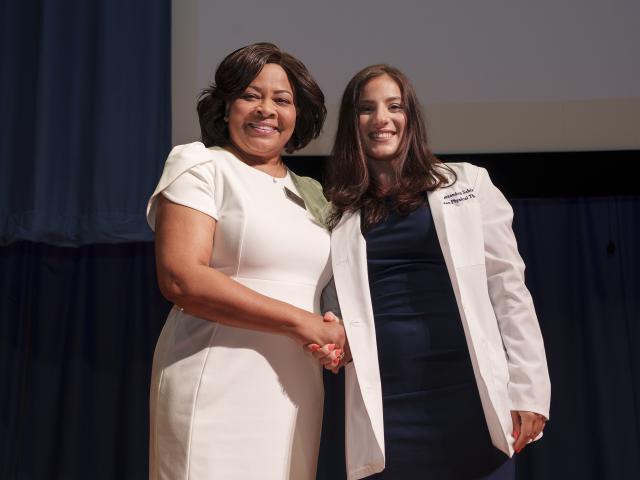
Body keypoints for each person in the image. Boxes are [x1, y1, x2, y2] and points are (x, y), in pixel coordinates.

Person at [313, 65, 551, 479]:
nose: (381, 119)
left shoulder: (469, 183)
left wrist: (529, 391)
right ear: (352, 124)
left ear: (411, 117)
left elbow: (509, 290)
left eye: (394, 106)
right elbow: (334, 304)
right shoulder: (337, 211)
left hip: (469, 397)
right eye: (366, 109)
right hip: (389, 404)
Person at [145, 43, 346, 480]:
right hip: (215, 379)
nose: (266, 110)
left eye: (282, 99)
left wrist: (338, 336)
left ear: (299, 115)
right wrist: (303, 323)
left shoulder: (315, 193)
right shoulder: (201, 164)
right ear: (226, 107)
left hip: (294, 391)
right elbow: (182, 279)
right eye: (251, 96)